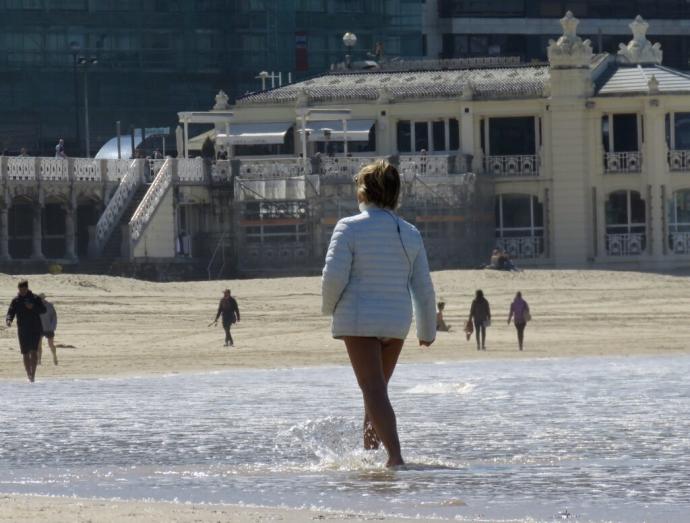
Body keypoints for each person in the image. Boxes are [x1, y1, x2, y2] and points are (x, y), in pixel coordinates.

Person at [321, 160, 436, 468]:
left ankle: (395, 457)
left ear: (363, 191)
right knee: (376, 392)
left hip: (359, 319)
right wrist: (427, 331)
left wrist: (328, 308)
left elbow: (333, 276)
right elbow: (423, 288)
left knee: (372, 390)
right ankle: (370, 456)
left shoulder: (349, 227)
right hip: (396, 321)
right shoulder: (410, 233)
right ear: (396, 194)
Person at [5, 280, 46, 382]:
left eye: (23, 290)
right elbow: (11, 312)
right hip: (23, 330)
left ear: (27, 288)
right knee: (25, 353)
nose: (21, 292)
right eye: (20, 290)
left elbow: (43, 310)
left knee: (34, 351)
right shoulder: (16, 300)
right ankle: (29, 374)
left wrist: (33, 307)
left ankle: (33, 375)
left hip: (35, 329)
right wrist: (9, 319)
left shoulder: (35, 298)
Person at [37, 293, 58, 365]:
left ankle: (54, 357)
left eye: (41, 298)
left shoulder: (49, 306)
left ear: (44, 298)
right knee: (38, 346)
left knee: (51, 344)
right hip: (39, 328)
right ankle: (39, 361)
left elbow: (54, 317)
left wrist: (53, 327)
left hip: (49, 328)